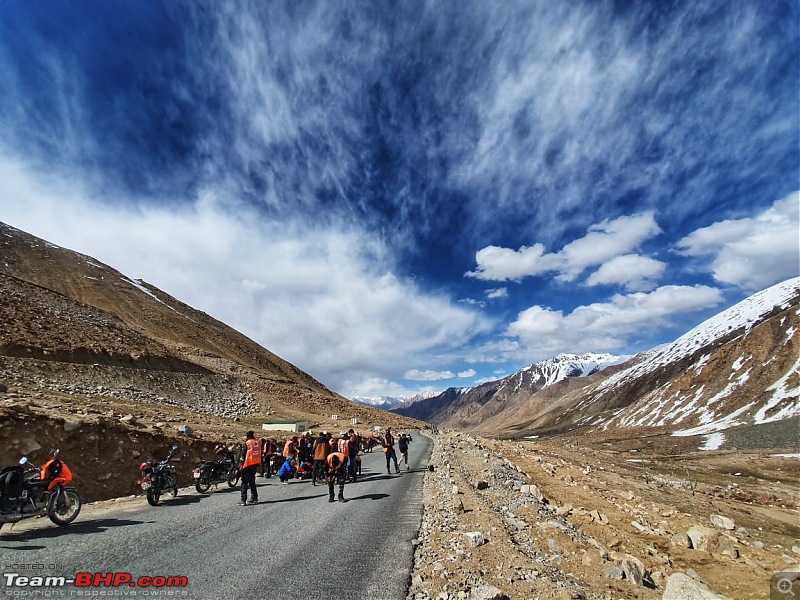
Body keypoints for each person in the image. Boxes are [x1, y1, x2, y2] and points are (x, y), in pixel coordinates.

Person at [238, 431, 261, 505]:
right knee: (252, 482)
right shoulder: (257, 442)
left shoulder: (247, 443)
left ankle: (243, 500)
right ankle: (254, 498)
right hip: (254, 464)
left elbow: (242, 456)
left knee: (244, 482)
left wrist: (240, 464)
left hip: (247, 465)